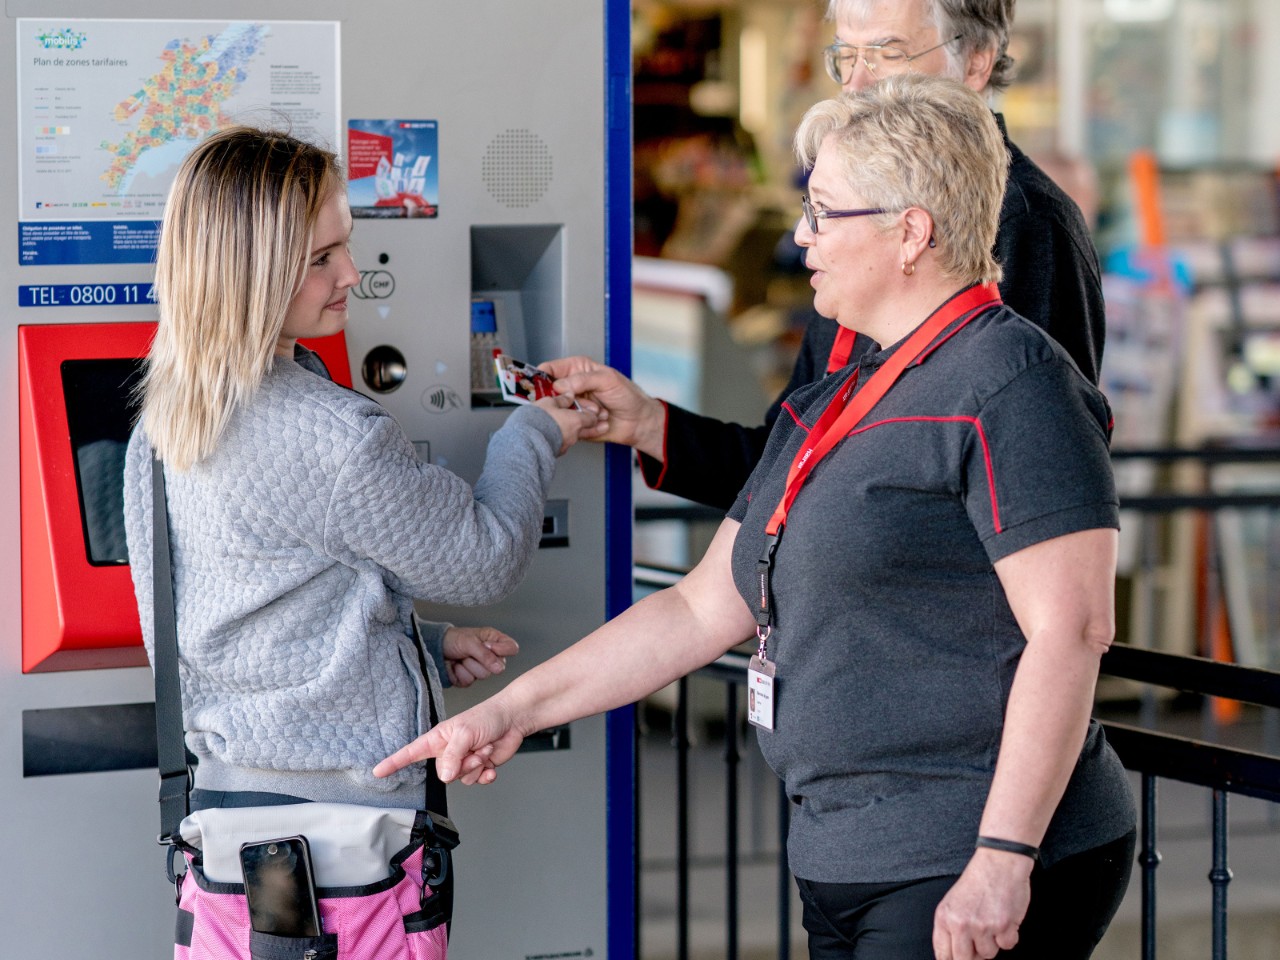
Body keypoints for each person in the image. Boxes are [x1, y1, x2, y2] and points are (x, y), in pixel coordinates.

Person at [377, 75, 1136, 960]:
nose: (798, 236)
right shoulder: (839, 394)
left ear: (910, 233)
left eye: (823, 213)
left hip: (962, 856)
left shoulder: (1015, 383)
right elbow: (699, 608)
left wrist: (1003, 859)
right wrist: (510, 712)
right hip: (849, 852)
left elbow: (1072, 630)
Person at [122, 126, 597, 813]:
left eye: (345, 243)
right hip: (349, 824)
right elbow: (486, 558)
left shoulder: (163, 421)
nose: (351, 274)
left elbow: (238, 628)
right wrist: (535, 429)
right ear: (250, 273)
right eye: (321, 258)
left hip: (231, 807)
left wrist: (416, 648)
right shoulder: (332, 438)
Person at [543, 0, 1106, 511]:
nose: (856, 84)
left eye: (887, 53)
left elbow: (1038, 493)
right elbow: (788, 459)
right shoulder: (858, 215)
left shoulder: (1027, 222)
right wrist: (647, 423)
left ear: (977, 62)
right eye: (845, 56)